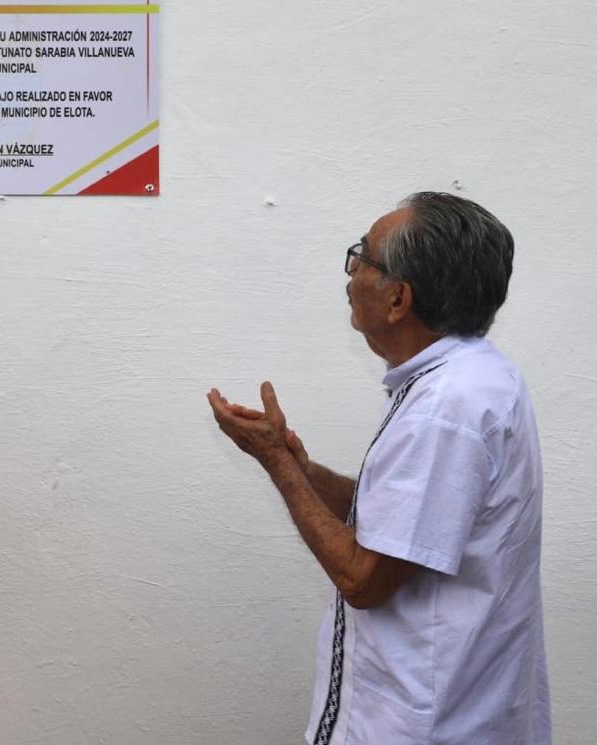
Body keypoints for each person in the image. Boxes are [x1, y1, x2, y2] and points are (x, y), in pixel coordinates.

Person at [206, 192, 550, 745]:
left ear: (397, 299)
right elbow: (396, 523)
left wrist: (278, 466)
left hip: (426, 724)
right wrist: (298, 466)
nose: (350, 273)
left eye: (362, 257)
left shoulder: (447, 408)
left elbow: (363, 579)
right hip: (443, 709)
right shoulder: (471, 378)